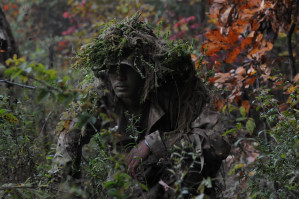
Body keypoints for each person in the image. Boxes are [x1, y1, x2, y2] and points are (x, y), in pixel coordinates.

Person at [51, 13, 231, 198]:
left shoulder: (179, 90)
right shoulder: (99, 96)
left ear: (145, 71)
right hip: (132, 181)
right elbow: (67, 141)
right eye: (113, 69)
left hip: (179, 179)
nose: (119, 77)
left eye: (127, 69)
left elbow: (218, 143)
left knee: (186, 167)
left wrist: (153, 143)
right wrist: (66, 189)